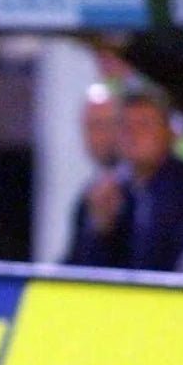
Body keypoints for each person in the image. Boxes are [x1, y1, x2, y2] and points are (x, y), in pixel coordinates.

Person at [72, 82, 183, 272]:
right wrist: (101, 231)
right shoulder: (106, 192)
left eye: (144, 125)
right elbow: (79, 267)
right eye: (125, 126)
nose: (133, 135)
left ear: (170, 133)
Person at [64, 83, 124, 265]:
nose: (95, 136)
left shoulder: (138, 191)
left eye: (103, 124)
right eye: (89, 126)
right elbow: (74, 262)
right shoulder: (88, 195)